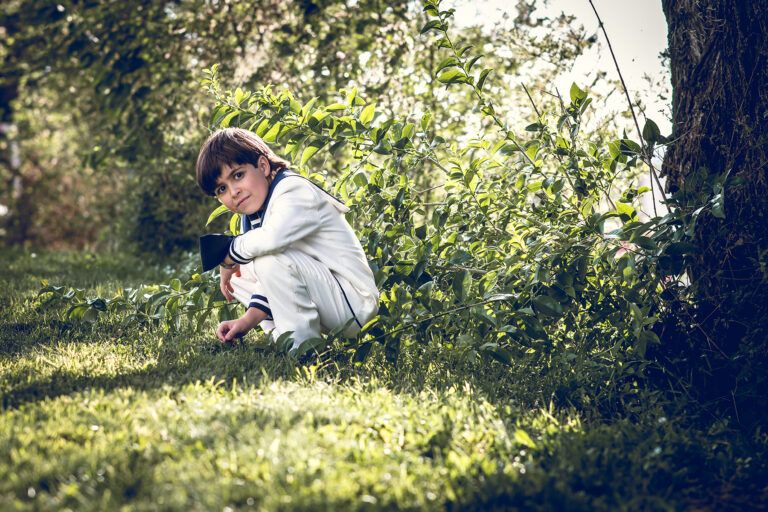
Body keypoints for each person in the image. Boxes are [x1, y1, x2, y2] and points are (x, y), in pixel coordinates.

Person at [195, 127, 379, 353]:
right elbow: (276, 270)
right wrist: (247, 320)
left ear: (263, 166)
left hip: (353, 304)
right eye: (222, 188)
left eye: (238, 175)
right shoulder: (254, 211)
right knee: (239, 274)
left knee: (262, 259)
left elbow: (274, 240)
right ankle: (282, 336)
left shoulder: (293, 189)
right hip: (328, 296)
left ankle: (303, 349)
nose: (233, 192)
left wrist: (229, 254)